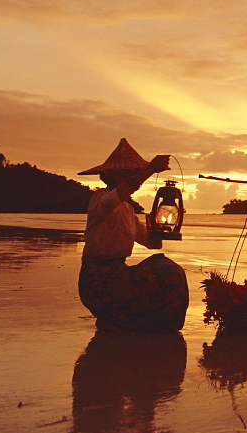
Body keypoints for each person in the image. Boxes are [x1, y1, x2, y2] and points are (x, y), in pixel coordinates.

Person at [77, 138, 189, 332]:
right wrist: (148, 170)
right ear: (113, 177)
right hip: (97, 281)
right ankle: (120, 318)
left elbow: (152, 244)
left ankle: (147, 322)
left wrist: (160, 225)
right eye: (130, 175)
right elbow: (113, 200)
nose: (133, 179)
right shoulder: (100, 200)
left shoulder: (128, 210)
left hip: (118, 273)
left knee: (170, 270)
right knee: (168, 270)